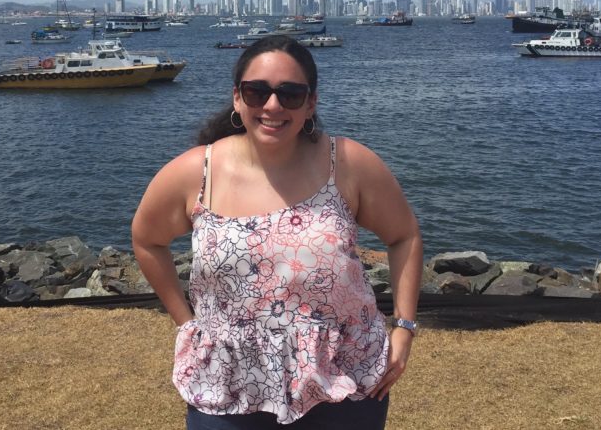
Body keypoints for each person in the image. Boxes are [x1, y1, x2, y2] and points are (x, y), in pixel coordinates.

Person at [132, 35, 423, 429]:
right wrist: (186, 322)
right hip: (229, 379)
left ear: (311, 103)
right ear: (237, 98)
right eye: (257, 92)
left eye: (290, 94)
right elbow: (148, 239)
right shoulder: (196, 173)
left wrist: (404, 327)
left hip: (344, 373)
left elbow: (403, 235)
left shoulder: (349, 164)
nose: (272, 106)